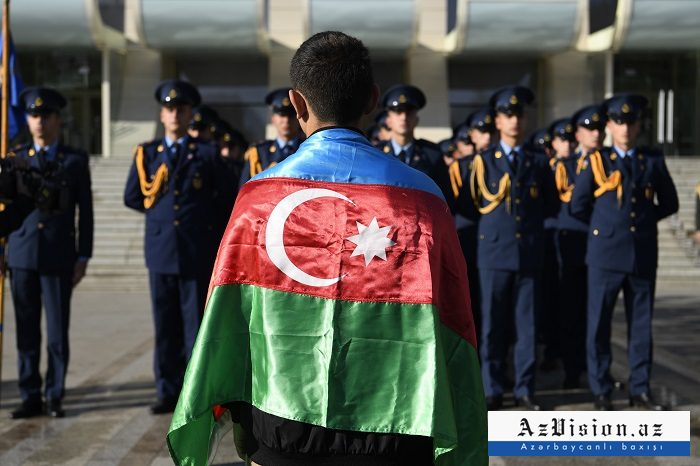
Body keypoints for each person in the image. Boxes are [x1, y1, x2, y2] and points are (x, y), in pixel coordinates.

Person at [167, 31, 487, 466]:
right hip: (397, 428)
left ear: (297, 104)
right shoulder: (424, 199)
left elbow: (227, 311)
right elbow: (455, 317)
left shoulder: (258, 197)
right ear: (374, 100)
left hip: (281, 426)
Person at [123, 79, 236, 415]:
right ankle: (166, 390)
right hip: (160, 252)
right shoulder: (147, 153)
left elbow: (228, 197)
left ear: (190, 114)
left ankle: (194, 392)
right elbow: (133, 196)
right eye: (170, 109)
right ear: (162, 114)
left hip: (195, 251)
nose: (175, 114)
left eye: (182, 109)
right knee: (165, 327)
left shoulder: (206, 153)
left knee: (194, 328)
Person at [570, 93, 679, 411]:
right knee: (599, 324)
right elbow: (578, 205)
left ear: (639, 124)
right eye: (618, 122)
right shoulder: (598, 161)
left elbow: (670, 202)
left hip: (642, 254)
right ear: (610, 126)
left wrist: (644, 222)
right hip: (605, 255)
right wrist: (604, 226)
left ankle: (640, 389)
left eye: (630, 122)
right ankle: (601, 389)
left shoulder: (652, 160)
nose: (625, 128)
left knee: (641, 326)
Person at [3, 87, 94, 419]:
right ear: (27, 119)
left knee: (57, 332)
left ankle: (54, 394)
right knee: (26, 331)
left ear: (57, 119)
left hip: (58, 256)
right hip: (23, 255)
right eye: (33, 115)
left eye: (45, 116)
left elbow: (85, 212)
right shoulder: (16, 158)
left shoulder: (73, 160)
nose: (39, 122)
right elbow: (8, 206)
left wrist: (83, 256)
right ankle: (30, 395)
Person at [469, 85, 559, 411]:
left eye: (519, 114)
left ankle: (524, 388)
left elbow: (549, 204)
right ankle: (492, 388)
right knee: (492, 326)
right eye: (508, 114)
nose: (515, 120)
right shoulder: (482, 162)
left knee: (527, 327)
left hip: (528, 254)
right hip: (493, 253)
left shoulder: (538, 161)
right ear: (497, 120)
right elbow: (468, 205)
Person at [238, 88, 304, 188]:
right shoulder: (259, 152)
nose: (286, 120)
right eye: (282, 115)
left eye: (291, 115)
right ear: (273, 119)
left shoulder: (309, 149)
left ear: (298, 117)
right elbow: (245, 192)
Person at [374, 84, 441, 175]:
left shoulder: (432, 154)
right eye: (398, 111)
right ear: (388, 121)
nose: (404, 118)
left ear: (416, 120)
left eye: (409, 112)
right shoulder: (376, 153)